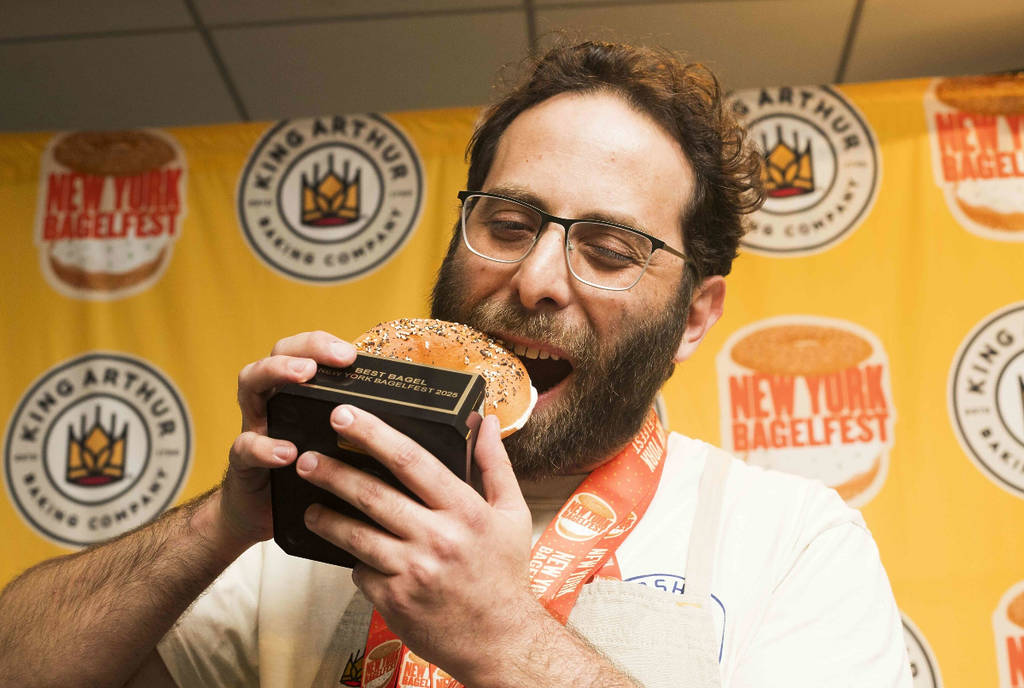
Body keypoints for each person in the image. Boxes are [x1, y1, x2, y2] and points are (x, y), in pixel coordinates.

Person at [0, 41, 911, 688]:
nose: (538, 279)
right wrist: (225, 523)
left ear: (693, 317)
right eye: (509, 226)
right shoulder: (319, 526)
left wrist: (501, 637)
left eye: (608, 247)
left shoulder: (791, 539)